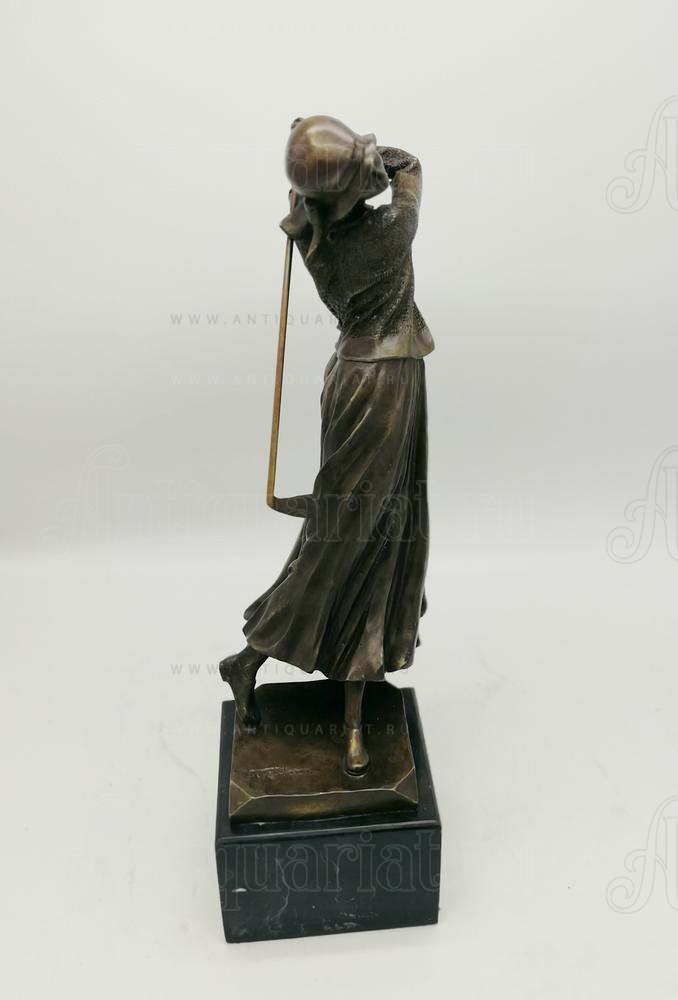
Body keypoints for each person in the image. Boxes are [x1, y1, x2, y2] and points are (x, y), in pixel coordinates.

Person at [220, 115, 434, 775]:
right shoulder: (389, 232)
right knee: (356, 543)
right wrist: (367, 154)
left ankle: (272, 667)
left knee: (361, 539)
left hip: (347, 380)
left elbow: (325, 187)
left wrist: (329, 169)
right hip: (387, 387)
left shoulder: (314, 241)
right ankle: (310, 691)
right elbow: (409, 167)